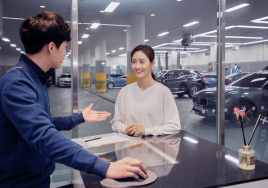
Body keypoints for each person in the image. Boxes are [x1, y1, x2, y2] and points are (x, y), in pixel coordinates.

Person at [0, 12, 146, 188]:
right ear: (51, 47)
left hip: (37, 178)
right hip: (19, 183)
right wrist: (103, 167)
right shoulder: (17, 83)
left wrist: (80, 118)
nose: (66, 52)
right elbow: (42, 134)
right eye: (65, 47)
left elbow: (43, 122)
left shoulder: (34, 79)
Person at [111, 44, 181, 136]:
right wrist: (126, 129)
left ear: (152, 64)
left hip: (154, 147)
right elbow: (116, 122)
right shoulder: (124, 92)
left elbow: (174, 126)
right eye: (134, 62)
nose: (137, 66)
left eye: (142, 62)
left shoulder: (163, 92)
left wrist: (147, 131)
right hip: (128, 146)